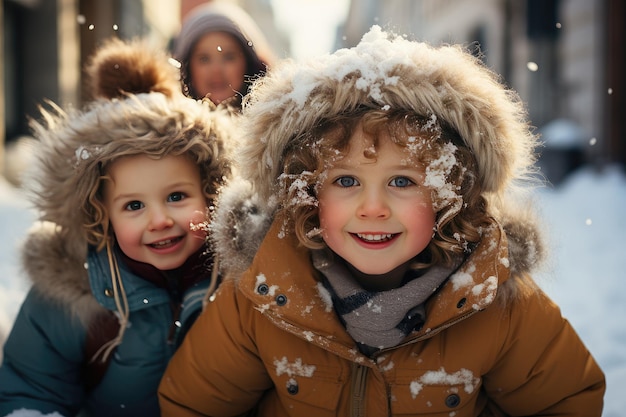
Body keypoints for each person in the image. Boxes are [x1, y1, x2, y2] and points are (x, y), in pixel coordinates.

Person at [158, 26, 606, 416]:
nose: (373, 208)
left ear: (449, 194)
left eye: (403, 182)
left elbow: (567, 401)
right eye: (347, 180)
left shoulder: (494, 297)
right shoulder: (264, 292)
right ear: (307, 194)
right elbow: (193, 403)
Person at [0, 37, 234, 417]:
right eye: (134, 205)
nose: (159, 220)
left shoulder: (238, 280)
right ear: (101, 216)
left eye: (177, 197)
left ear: (212, 193)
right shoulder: (72, 292)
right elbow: (32, 389)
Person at [172, 1, 275, 107]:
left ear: (248, 62)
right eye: (204, 59)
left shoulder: (283, 121)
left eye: (229, 57)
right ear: (186, 68)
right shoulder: (162, 122)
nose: (216, 70)